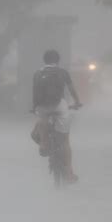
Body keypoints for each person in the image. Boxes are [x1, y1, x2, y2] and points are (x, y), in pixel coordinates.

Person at [32, 49, 82, 183]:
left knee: (41, 119)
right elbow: (71, 90)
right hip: (59, 105)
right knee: (65, 140)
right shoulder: (62, 72)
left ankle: (43, 143)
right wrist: (77, 102)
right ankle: (70, 173)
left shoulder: (38, 73)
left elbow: (35, 93)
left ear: (45, 60)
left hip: (42, 106)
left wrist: (34, 107)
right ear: (58, 60)